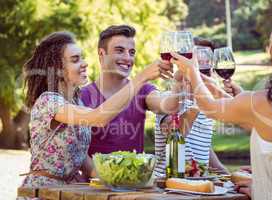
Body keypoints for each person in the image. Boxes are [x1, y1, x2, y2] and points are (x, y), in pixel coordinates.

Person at [170, 6, 272, 199]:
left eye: (271, 40)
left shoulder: (264, 101)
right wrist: (261, 184)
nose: (268, 46)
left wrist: (192, 72)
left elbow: (212, 108)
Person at [21, 31, 171, 187]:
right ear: (57, 68)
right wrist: (142, 77)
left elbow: (88, 166)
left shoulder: (76, 103)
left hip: (70, 191)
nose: (84, 63)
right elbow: (98, 117)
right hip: (43, 191)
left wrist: (134, 182)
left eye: (82, 57)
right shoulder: (48, 102)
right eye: (75, 60)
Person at [80, 25, 180, 156]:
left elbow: (169, 106)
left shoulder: (144, 90)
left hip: (136, 176)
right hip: (95, 176)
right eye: (120, 51)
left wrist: (180, 80)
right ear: (101, 54)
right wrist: (143, 75)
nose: (128, 58)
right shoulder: (82, 96)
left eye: (132, 52)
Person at [154, 38, 229, 177]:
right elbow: (174, 133)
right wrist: (199, 102)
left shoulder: (208, 105)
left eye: (205, 70)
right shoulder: (169, 99)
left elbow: (203, 148)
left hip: (197, 184)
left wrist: (228, 176)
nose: (199, 75)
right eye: (194, 67)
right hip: (166, 187)